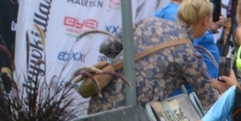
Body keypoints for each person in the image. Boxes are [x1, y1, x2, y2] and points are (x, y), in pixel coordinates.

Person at [86, 14, 223, 113]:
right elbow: (210, 102)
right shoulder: (190, 54)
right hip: (134, 118)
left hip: (101, 103)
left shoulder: (149, 21)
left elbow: (106, 47)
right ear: (205, 20)